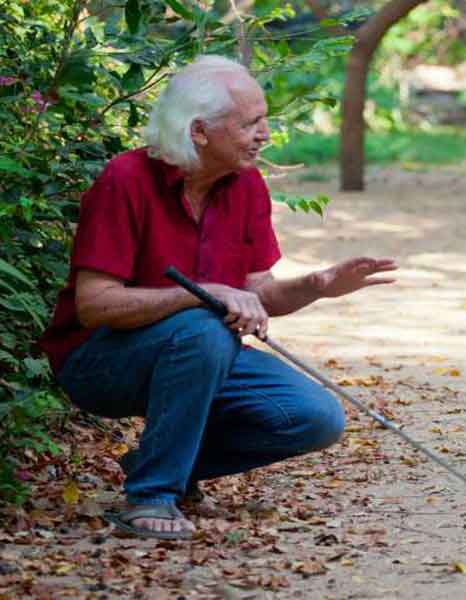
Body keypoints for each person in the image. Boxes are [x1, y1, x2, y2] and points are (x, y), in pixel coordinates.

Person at [39, 55, 397, 539]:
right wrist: (201, 295)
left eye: (264, 119)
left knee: (316, 418)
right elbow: (96, 305)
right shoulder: (124, 179)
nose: (265, 133)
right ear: (199, 132)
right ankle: (154, 495)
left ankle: (157, 462)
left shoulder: (247, 185)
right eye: (250, 122)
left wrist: (315, 286)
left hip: (202, 355)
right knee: (204, 327)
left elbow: (256, 295)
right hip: (99, 362)